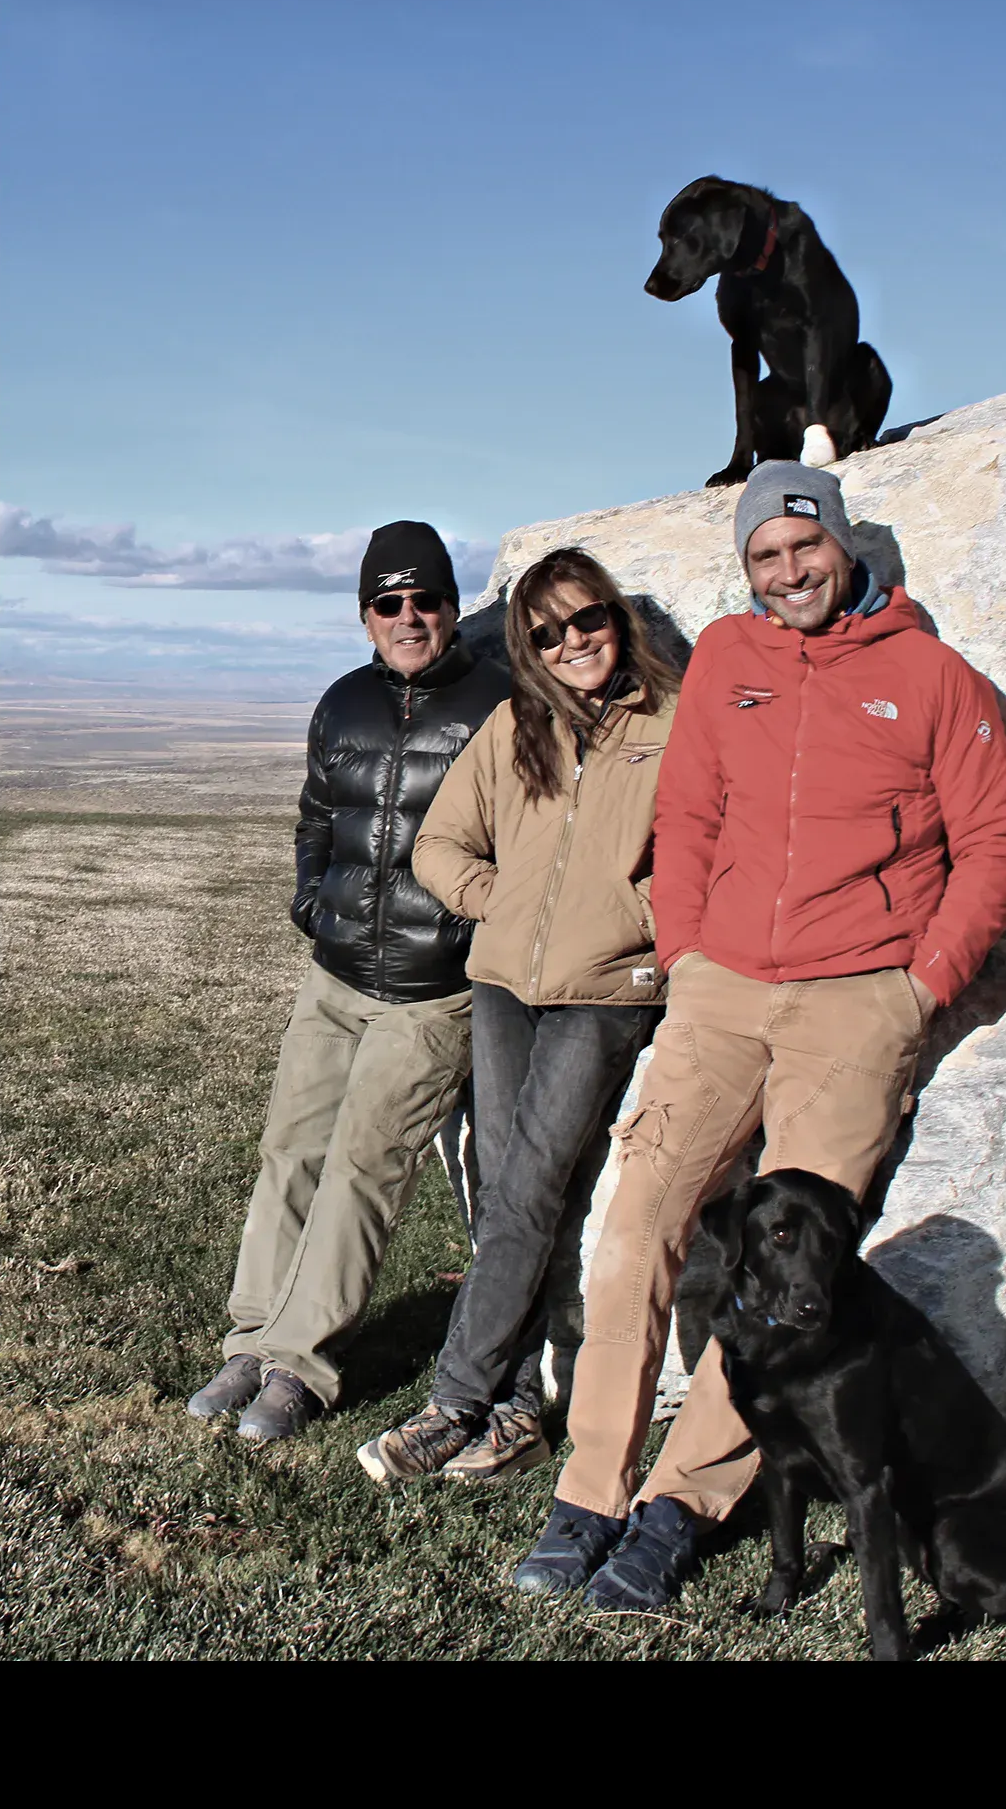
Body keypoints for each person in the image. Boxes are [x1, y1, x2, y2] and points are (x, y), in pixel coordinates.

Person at [505, 461, 1006, 1608]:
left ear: (842, 546)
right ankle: (589, 1494)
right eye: (765, 555)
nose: (789, 571)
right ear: (746, 568)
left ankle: (677, 1509)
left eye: (805, 546)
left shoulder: (934, 677)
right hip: (722, 993)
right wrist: (688, 956)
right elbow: (689, 813)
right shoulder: (729, 663)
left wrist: (920, 988)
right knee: (636, 1223)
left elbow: (997, 842)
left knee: (798, 1269)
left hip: (859, 1003)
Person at [355, 548, 682, 1488]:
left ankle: (456, 1400)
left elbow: (706, 853)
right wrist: (498, 904)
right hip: (505, 984)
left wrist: (634, 920)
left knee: (530, 1186)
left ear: (616, 618)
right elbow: (439, 843)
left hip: (604, 992)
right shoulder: (515, 725)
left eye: (587, 619)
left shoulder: (674, 722)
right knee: (512, 1190)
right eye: (546, 633)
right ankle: (516, 1414)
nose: (571, 642)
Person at [184, 522, 510, 1442]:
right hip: (334, 976)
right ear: (364, 615)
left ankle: (301, 1364)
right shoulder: (343, 703)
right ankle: (252, 1339)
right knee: (290, 1150)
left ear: (453, 606)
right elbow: (317, 817)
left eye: (425, 600)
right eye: (387, 603)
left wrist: (468, 932)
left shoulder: (499, 705)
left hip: (433, 990)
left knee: (365, 1168)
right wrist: (310, 901)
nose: (408, 618)